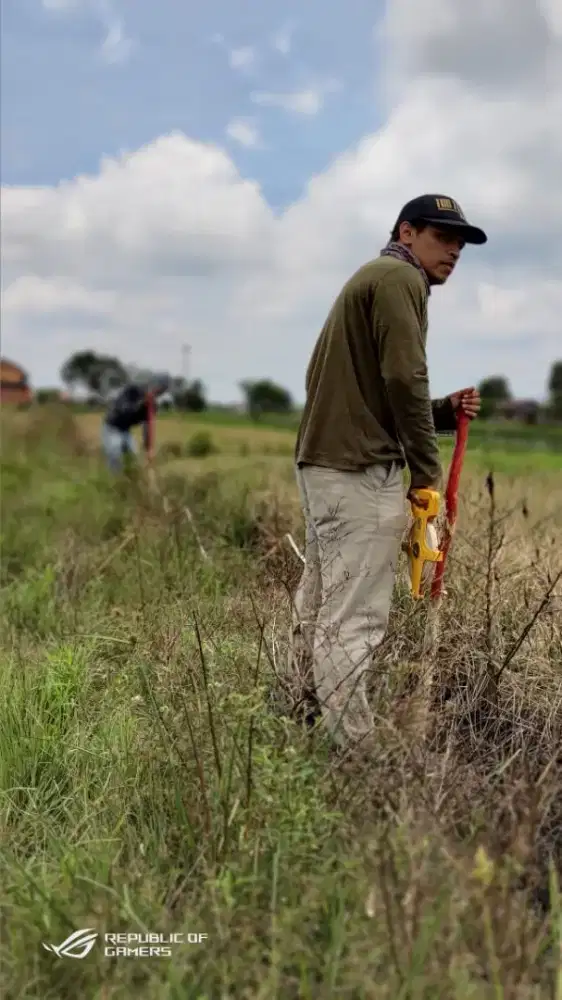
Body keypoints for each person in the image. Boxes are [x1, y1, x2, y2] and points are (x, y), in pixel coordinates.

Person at [289, 193, 486, 753]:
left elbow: (376, 386)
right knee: (354, 620)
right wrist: (426, 474)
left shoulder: (373, 278)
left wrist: (441, 413)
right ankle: (356, 757)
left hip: (327, 463)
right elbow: (404, 378)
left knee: (321, 604)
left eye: (460, 243)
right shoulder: (401, 279)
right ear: (406, 233)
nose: (453, 251)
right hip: (359, 471)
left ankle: (301, 719)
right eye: (442, 237)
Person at [101, 376, 169, 473]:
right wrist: (142, 403)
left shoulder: (152, 405)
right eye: (157, 389)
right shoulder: (132, 390)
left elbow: (147, 427)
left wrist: (148, 449)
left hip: (125, 430)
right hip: (112, 428)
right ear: (152, 384)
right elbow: (123, 410)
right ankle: (114, 479)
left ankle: (129, 479)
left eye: (160, 392)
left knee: (133, 456)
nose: (157, 393)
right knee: (115, 452)